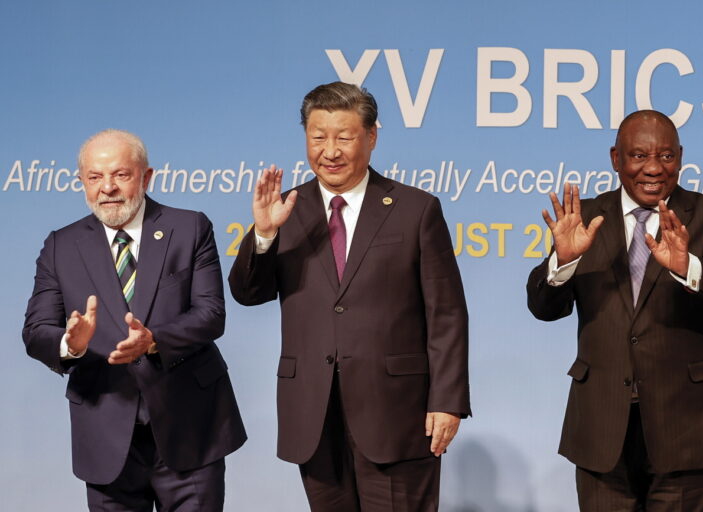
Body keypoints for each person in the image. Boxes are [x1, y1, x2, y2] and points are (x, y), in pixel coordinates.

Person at [229, 81, 470, 511]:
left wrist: (448, 401)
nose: (330, 150)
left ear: (372, 136)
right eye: (318, 137)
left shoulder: (416, 209)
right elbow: (248, 294)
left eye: (344, 137)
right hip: (314, 415)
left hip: (397, 414)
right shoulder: (287, 208)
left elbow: (446, 314)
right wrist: (264, 235)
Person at [526, 110, 703, 511]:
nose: (653, 168)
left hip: (690, 429)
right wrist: (563, 263)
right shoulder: (585, 220)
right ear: (616, 158)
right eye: (638, 156)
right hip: (602, 430)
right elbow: (544, 308)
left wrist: (689, 267)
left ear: (681, 157)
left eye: (666, 157)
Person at [23, 129, 246, 511]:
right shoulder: (60, 246)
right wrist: (70, 344)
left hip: (189, 425)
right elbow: (36, 330)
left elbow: (211, 315)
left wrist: (154, 339)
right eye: (95, 178)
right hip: (105, 430)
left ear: (146, 177)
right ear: (82, 182)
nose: (107, 187)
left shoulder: (190, 227)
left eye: (120, 175)